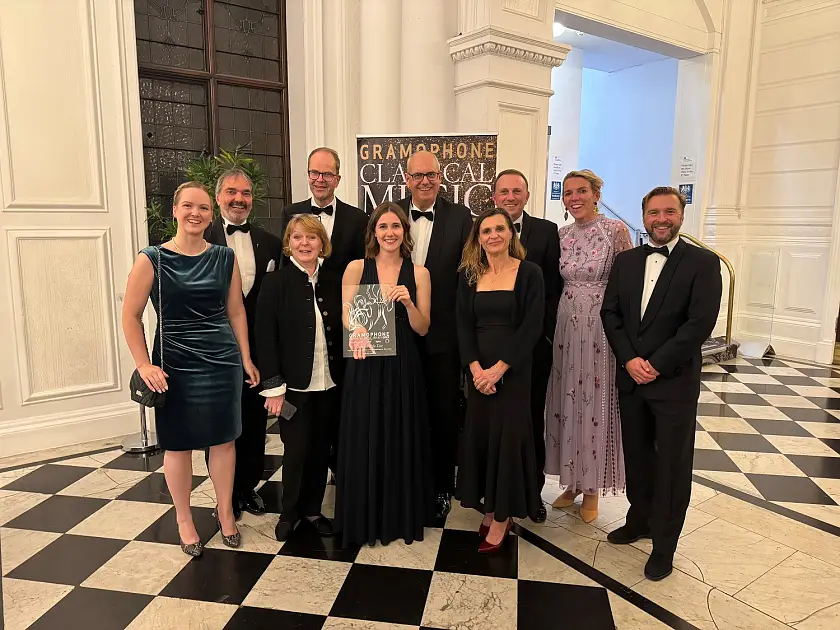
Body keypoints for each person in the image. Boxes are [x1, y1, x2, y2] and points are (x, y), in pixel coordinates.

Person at [122, 181, 260, 556]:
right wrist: (143, 364)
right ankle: (184, 519)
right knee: (178, 445)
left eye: (202, 207)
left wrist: (246, 357)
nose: (195, 213)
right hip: (174, 364)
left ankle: (225, 510)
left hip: (221, 360)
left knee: (224, 440)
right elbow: (131, 316)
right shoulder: (152, 258)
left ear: (211, 215)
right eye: (188, 206)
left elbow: (236, 312)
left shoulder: (224, 257)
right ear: (175, 210)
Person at [601, 186, 722, 581]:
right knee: (637, 457)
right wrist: (629, 359)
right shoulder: (626, 261)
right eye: (654, 212)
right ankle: (639, 520)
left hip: (672, 381)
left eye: (669, 211)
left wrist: (655, 363)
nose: (661, 219)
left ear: (681, 215)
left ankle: (665, 545)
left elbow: (699, 324)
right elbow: (610, 313)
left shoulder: (703, 263)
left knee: (672, 464)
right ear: (644, 216)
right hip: (631, 378)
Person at [334, 202, 435, 547]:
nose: (390, 233)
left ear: (405, 232)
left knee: (399, 433)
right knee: (365, 433)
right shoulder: (355, 268)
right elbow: (345, 311)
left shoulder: (419, 273)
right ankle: (364, 517)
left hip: (403, 363)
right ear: (373, 233)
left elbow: (423, 328)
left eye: (396, 226)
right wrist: (356, 327)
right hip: (365, 359)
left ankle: (397, 516)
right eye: (383, 227)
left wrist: (408, 303)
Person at [544, 170, 633, 523]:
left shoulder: (615, 231)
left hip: (600, 327)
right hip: (566, 325)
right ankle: (571, 482)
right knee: (567, 402)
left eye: (581, 191)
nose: (574, 198)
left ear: (596, 194)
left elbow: (628, 283)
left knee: (594, 402)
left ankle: (592, 487)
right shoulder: (562, 234)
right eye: (568, 193)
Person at [456, 208, 545, 553]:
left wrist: (499, 368)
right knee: (483, 437)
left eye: (499, 229)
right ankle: (491, 506)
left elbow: (532, 325)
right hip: (479, 374)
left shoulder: (529, 272)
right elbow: (463, 325)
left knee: (508, 440)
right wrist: (476, 369)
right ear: (478, 239)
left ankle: (502, 516)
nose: (492, 235)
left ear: (511, 234)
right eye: (485, 231)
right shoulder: (469, 274)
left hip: (514, 370)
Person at [255, 214, 344, 541]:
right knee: (296, 450)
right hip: (293, 387)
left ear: (322, 243)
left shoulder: (335, 281)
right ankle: (289, 513)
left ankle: (312, 509)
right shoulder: (275, 283)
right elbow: (265, 337)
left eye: (311, 237)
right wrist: (273, 387)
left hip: (331, 383)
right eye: (297, 237)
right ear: (288, 244)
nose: (304, 243)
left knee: (321, 448)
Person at [396, 150, 472, 518]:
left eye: (431, 175)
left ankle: (442, 486)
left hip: (444, 336)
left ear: (441, 178)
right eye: (417, 175)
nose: (424, 181)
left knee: (443, 414)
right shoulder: (390, 213)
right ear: (406, 179)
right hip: (396, 333)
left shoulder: (461, 217)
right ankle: (404, 481)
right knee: (401, 411)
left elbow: (468, 279)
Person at [205, 168, 283, 518]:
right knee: (219, 424)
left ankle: (248, 488)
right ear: (218, 196)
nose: (239, 199)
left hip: (257, 348)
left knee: (253, 421)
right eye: (232, 192)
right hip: (215, 347)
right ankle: (225, 497)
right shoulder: (201, 236)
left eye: (246, 193)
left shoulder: (270, 242)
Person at [492, 169, 561, 523]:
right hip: (491, 347)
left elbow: (554, 289)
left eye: (516, 191)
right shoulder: (484, 230)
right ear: (494, 197)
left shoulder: (547, 231)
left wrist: (542, 334)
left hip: (533, 347)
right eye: (503, 191)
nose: (510, 197)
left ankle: (533, 494)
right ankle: (495, 493)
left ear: (527, 195)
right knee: (495, 422)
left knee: (531, 419)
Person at [282, 147, 368, 276]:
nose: (320, 179)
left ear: (337, 180)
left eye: (327, 174)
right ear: (308, 175)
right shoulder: (290, 213)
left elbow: (364, 269)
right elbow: (285, 262)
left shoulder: (358, 219)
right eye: (314, 173)